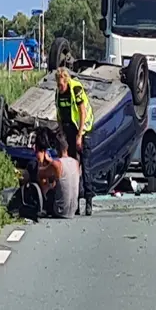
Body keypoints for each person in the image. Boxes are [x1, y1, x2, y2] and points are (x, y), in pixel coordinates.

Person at [55, 67, 95, 215]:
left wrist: (80, 136)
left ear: (66, 80)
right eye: (58, 85)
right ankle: (75, 203)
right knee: (72, 168)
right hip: (69, 131)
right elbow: (59, 114)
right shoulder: (58, 93)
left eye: (61, 84)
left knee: (85, 166)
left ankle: (89, 201)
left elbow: (82, 112)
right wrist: (61, 133)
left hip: (83, 130)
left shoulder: (75, 89)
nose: (60, 87)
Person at [34, 127, 81, 219]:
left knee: (44, 181)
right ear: (67, 147)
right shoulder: (75, 163)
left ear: (56, 149)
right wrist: (50, 161)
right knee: (57, 181)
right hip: (73, 210)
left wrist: (41, 160)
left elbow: (40, 173)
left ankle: (42, 206)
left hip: (60, 211)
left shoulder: (57, 164)